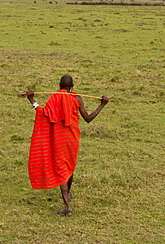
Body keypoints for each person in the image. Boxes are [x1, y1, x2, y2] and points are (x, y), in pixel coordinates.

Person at [26, 75, 109, 216]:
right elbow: (88, 118)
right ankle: (68, 193)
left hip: (59, 139)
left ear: (59, 85)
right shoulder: (77, 99)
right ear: (73, 86)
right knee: (69, 166)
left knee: (61, 170)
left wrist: (31, 99)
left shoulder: (55, 98)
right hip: (72, 139)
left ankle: (67, 208)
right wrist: (102, 104)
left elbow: (43, 112)